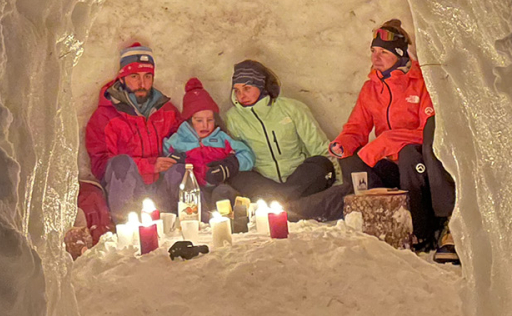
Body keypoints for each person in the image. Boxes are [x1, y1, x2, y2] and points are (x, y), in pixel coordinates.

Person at [329, 18, 459, 263]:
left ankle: (422, 231)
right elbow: (357, 126)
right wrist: (342, 145)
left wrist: (388, 140)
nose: (376, 58)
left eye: (383, 52)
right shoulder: (372, 88)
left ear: (400, 55)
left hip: (420, 163)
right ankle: (375, 223)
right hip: (389, 163)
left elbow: (430, 131)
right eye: (373, 51)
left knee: (409, 153)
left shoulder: (421, 83)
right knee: (351, 161)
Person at [84, 42, 184, 217]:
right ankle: (126, 230)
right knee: (120, 163)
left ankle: (194, 222)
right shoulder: (105, 117)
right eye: (134, 76)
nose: (142, 83)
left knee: (180, 169)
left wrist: (175, 157)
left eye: (147, 76)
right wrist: (150, 165)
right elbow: (102, 166)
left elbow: (185, 142)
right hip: (128, 194)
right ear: (122, 78)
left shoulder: (167, 111)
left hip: (161, 190)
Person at [221, 59, 337, 207]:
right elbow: (240, 154)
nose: (241, 95)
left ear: (261, 86)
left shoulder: (292, 108)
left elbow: (319, 146)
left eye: (247, 89)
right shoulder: (233, 117)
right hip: (264, 181)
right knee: (238, 176)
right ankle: (291, 204)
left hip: (299, 177)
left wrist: (338, 184)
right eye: (236, 90)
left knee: (321, 164)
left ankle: (279, 201)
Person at [162, 77, 255, 210]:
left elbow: (247, 155)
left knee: (223, 192)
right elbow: (162, 164)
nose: (205, 125)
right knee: (183, 183)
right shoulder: (177, 141)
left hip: (218, 186)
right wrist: (172, 161)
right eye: (199, 120)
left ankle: (226, 221)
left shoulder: (222, 138)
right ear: (189, 120)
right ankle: (200, 214)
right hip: (193, 191)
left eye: (210, 120)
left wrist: (229, 166)